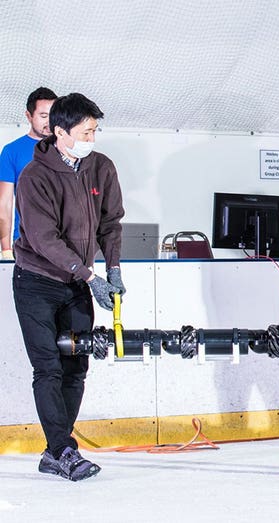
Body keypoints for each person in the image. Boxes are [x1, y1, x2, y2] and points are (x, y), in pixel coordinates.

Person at [13, 93, 125, 480]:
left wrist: (113, 269)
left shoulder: (101, 168)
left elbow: (110, 223)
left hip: (79, 282)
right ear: (60, 131)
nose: (91, 139)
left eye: (95, 131)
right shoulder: (34, 177)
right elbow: (44, 239)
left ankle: (54, 452)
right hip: (36, 283)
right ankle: (63, 450)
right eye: (85, 131)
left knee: (76, 366)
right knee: (48, 368)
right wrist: (89, 275)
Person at [1, 87, 57, 260]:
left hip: (63, 247)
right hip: (27, 245)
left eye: (53, 115)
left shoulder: (66, 148)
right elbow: (4, 205)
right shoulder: (12, 151)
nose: (49, 121)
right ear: (29, 115)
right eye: (43, 116)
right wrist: (6, 250)